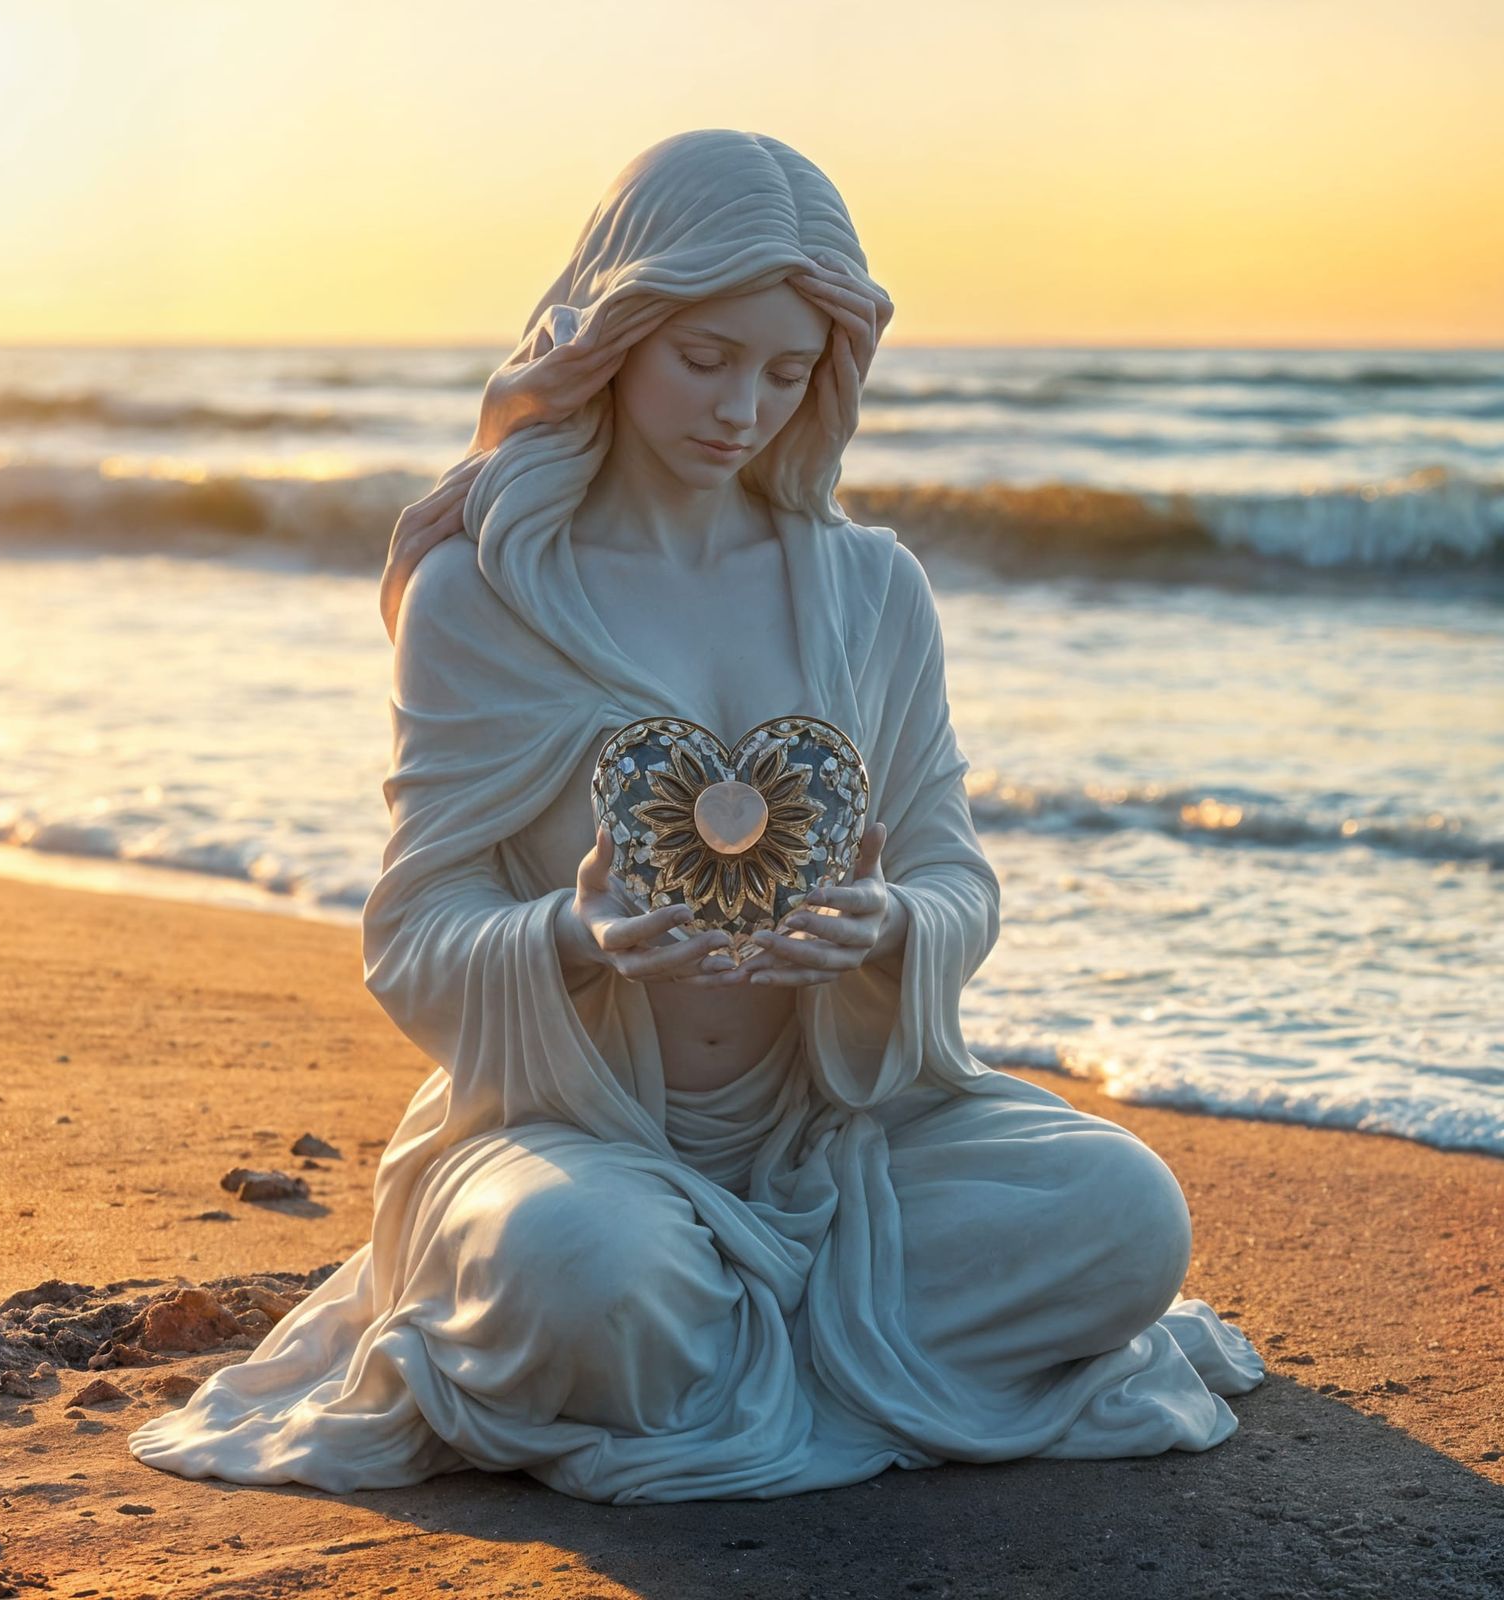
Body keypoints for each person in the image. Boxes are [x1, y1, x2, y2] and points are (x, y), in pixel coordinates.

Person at [128, 129, 1265, 1502]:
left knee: (1126, 1217)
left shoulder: (871, 589)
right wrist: (576, 934)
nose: (745, 408)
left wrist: (886, 924)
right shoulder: (485, 591)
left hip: (840, 1139)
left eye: (789, 372)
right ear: (614, 332)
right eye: (705, 358)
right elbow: (416, 932)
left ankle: (737, 1346)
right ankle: (773, 1340)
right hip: (572, 1137)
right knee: (583, 1271)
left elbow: (960, 882)